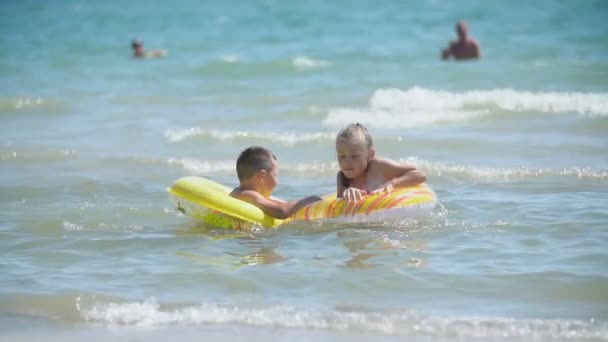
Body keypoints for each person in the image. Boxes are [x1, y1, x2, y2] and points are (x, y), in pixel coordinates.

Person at [335, 123, 427, 203]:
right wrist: (347, 192)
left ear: (370, 154)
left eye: (354, 156)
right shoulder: (342, 177)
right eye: (341, 156)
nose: (346, 162)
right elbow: (339, 202)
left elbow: (419, 175)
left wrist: (392, 183)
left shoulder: (378, 167)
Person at [230, 146, 322, 219]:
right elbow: (282, 211)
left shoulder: (242, 192)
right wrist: (310, 200)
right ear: (262, 175)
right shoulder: (248, 195)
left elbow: (283, 203)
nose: (277, 182)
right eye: (275, 175)